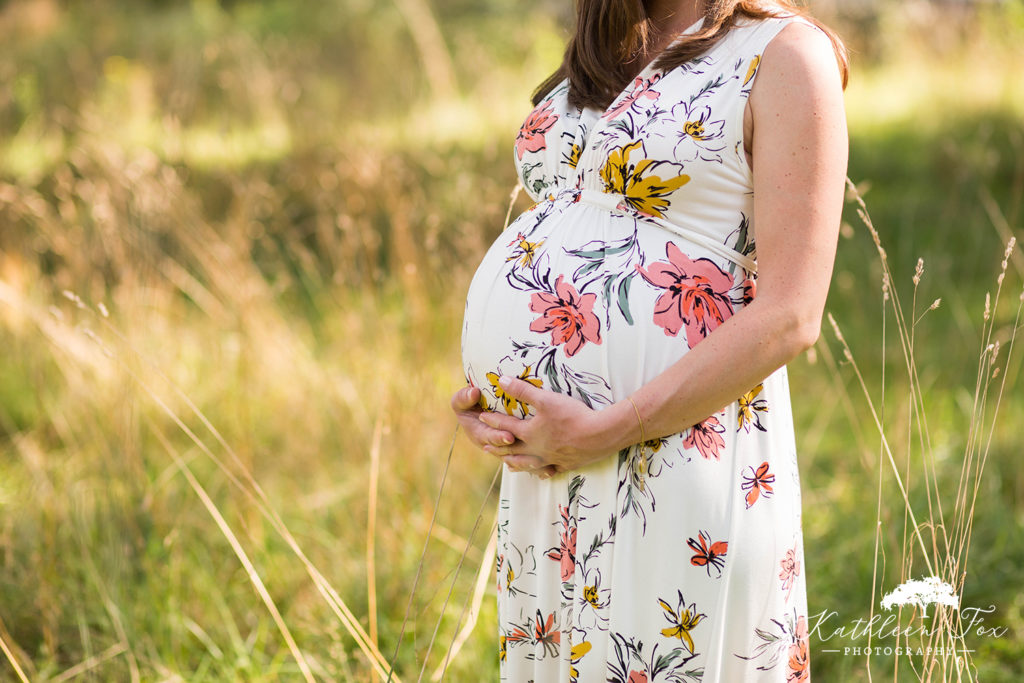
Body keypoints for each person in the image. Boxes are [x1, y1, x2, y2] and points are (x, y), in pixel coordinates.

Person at [451, 0, 848, 679]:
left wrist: (606, 428)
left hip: (678, 454)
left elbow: (792, 312)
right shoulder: (603, 51)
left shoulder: (785, 54)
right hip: (555, 474)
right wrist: (495, 394)